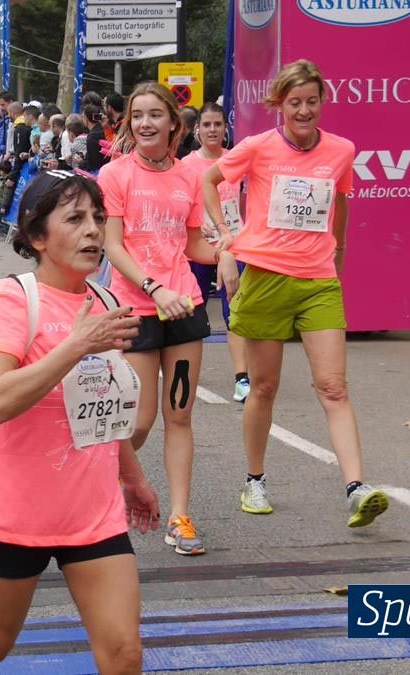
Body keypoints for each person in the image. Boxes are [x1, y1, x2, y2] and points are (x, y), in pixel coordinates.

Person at [0, 169, 157, 675]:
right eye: (75, 219)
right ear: (37, 236)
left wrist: (133, 479)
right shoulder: (11, 300)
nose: (93, 231)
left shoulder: (107, 303)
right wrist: (77, 345)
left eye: (97, 218)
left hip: (92, 514)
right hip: (15, 512)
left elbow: (103, 409)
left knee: (124, 652)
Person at [202, 59, 389, 528]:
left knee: (334, 387)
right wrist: (226, 233)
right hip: (266, 277)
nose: (304, 111)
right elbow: (209, 180)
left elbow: (340, 199)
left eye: (311, 101)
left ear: (322, 102)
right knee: (263, 387)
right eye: (294, 102)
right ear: (279, 105)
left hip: (317, 281)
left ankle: (356, 488)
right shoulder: (259, 147)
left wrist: (340, 250)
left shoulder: (342, 150)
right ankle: (255, 480)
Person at [101, 83, 233, 557]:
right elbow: (113, 246)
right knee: (140, 418)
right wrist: (154, 287)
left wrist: (227, 253)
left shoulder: (189, 178)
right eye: (137, 116)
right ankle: (106, 483)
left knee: (179, 415)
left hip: (186, 309)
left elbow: (192, 243)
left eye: (155, 115)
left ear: (174, 124)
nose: (145, 124)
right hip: (136, 310)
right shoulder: (114, 175)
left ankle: (180, 516)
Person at [183, 102, 251, 403]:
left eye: (217, 124)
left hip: (234, 244)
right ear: (197, 130)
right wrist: (199, 226)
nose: (212, 130)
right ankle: (187, 371)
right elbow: (183, 206)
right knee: (193, 308)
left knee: (234, 308)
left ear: (226, 128)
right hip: (200, 245)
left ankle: (242, 377)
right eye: (206, 124)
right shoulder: (186, 165)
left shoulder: (236, 161)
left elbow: (246, 200)